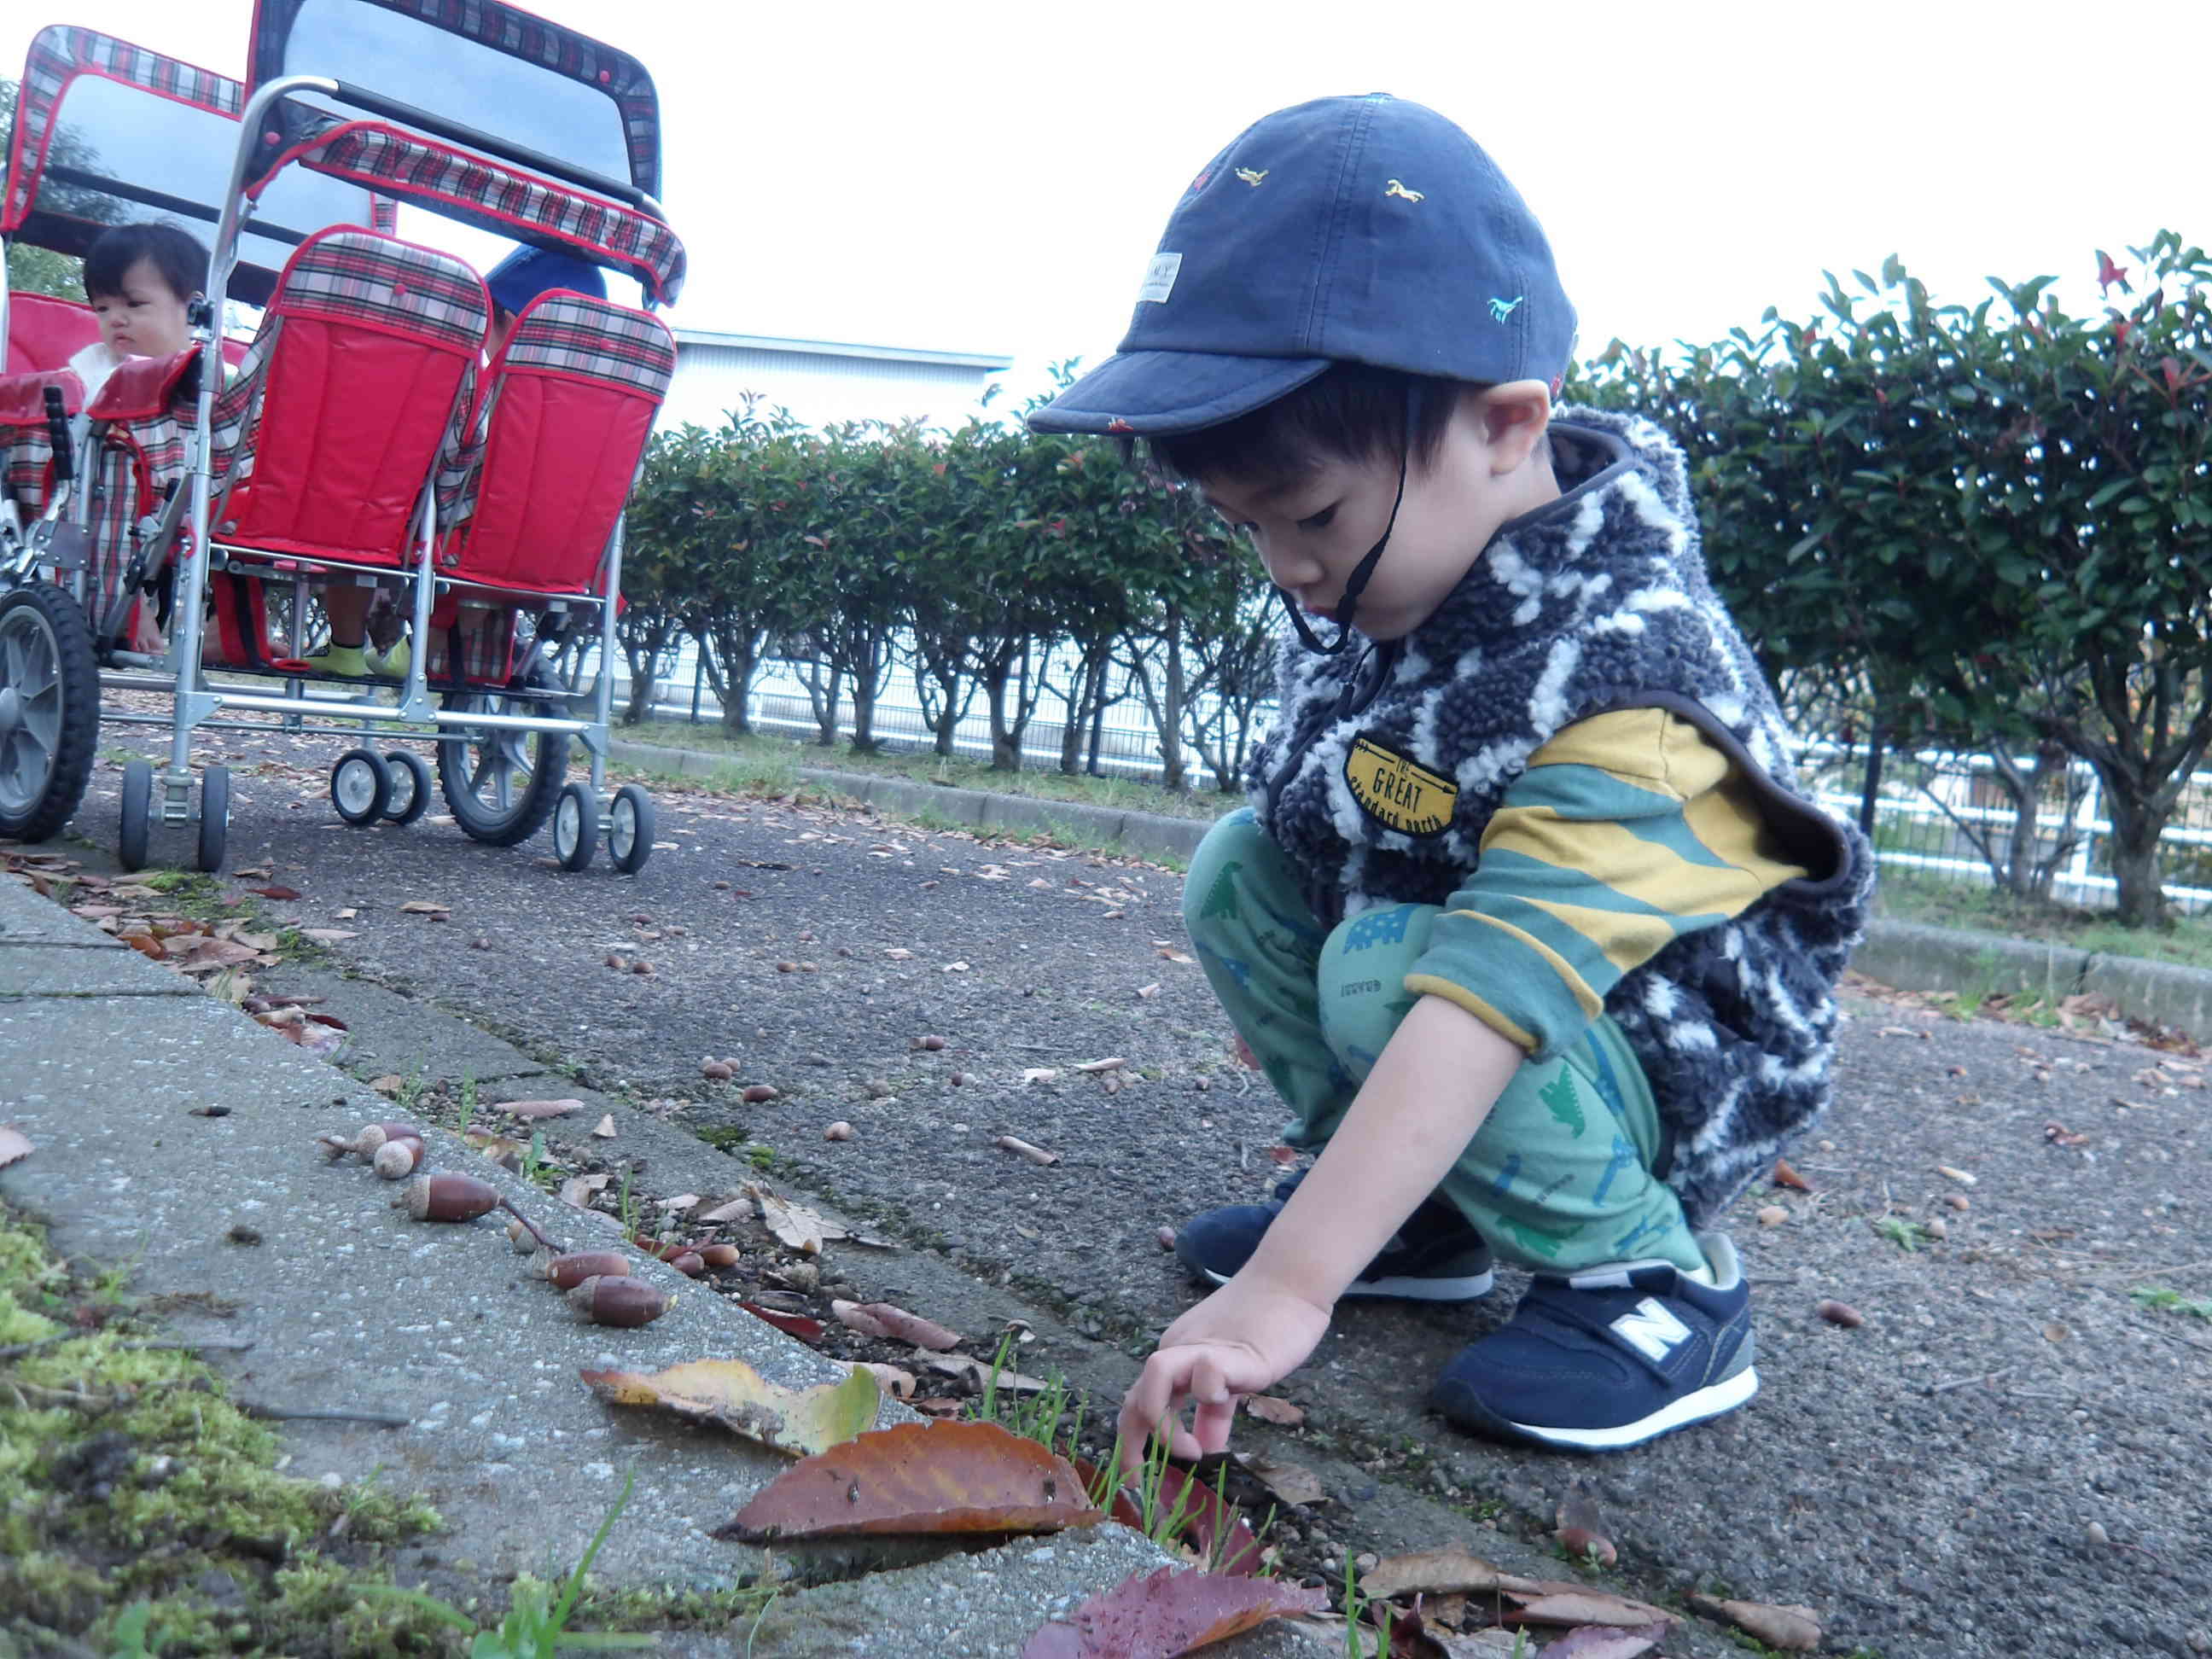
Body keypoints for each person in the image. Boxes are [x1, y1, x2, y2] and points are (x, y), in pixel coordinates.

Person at [1027, 95, 1874, 1465]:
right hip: (1473, 992)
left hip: (1675, 1057)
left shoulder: (1628, 678)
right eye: (1250, 529)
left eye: (1313, 518)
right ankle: (1427, 1221)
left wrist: (1285, 1290)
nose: (1289, 569)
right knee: (1241, 869)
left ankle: (1656, 1281)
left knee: (1385, 964)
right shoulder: (1410, 601)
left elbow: (1493, 986)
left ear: (1504, 423)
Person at [301, 242, 608, 678]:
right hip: (566, 564)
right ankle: (425, 646)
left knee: (370, 497)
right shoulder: (605, 415)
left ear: (504, 319)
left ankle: (354, 646)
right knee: (488, 544)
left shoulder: (497, 392)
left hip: (466, 549)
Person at [68, 222, 207, 399]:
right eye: (102, 308)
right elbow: (62, 391)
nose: (114, 319)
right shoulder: (96, 362)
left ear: (193, 310)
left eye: (134, 304)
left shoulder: (207, 376)